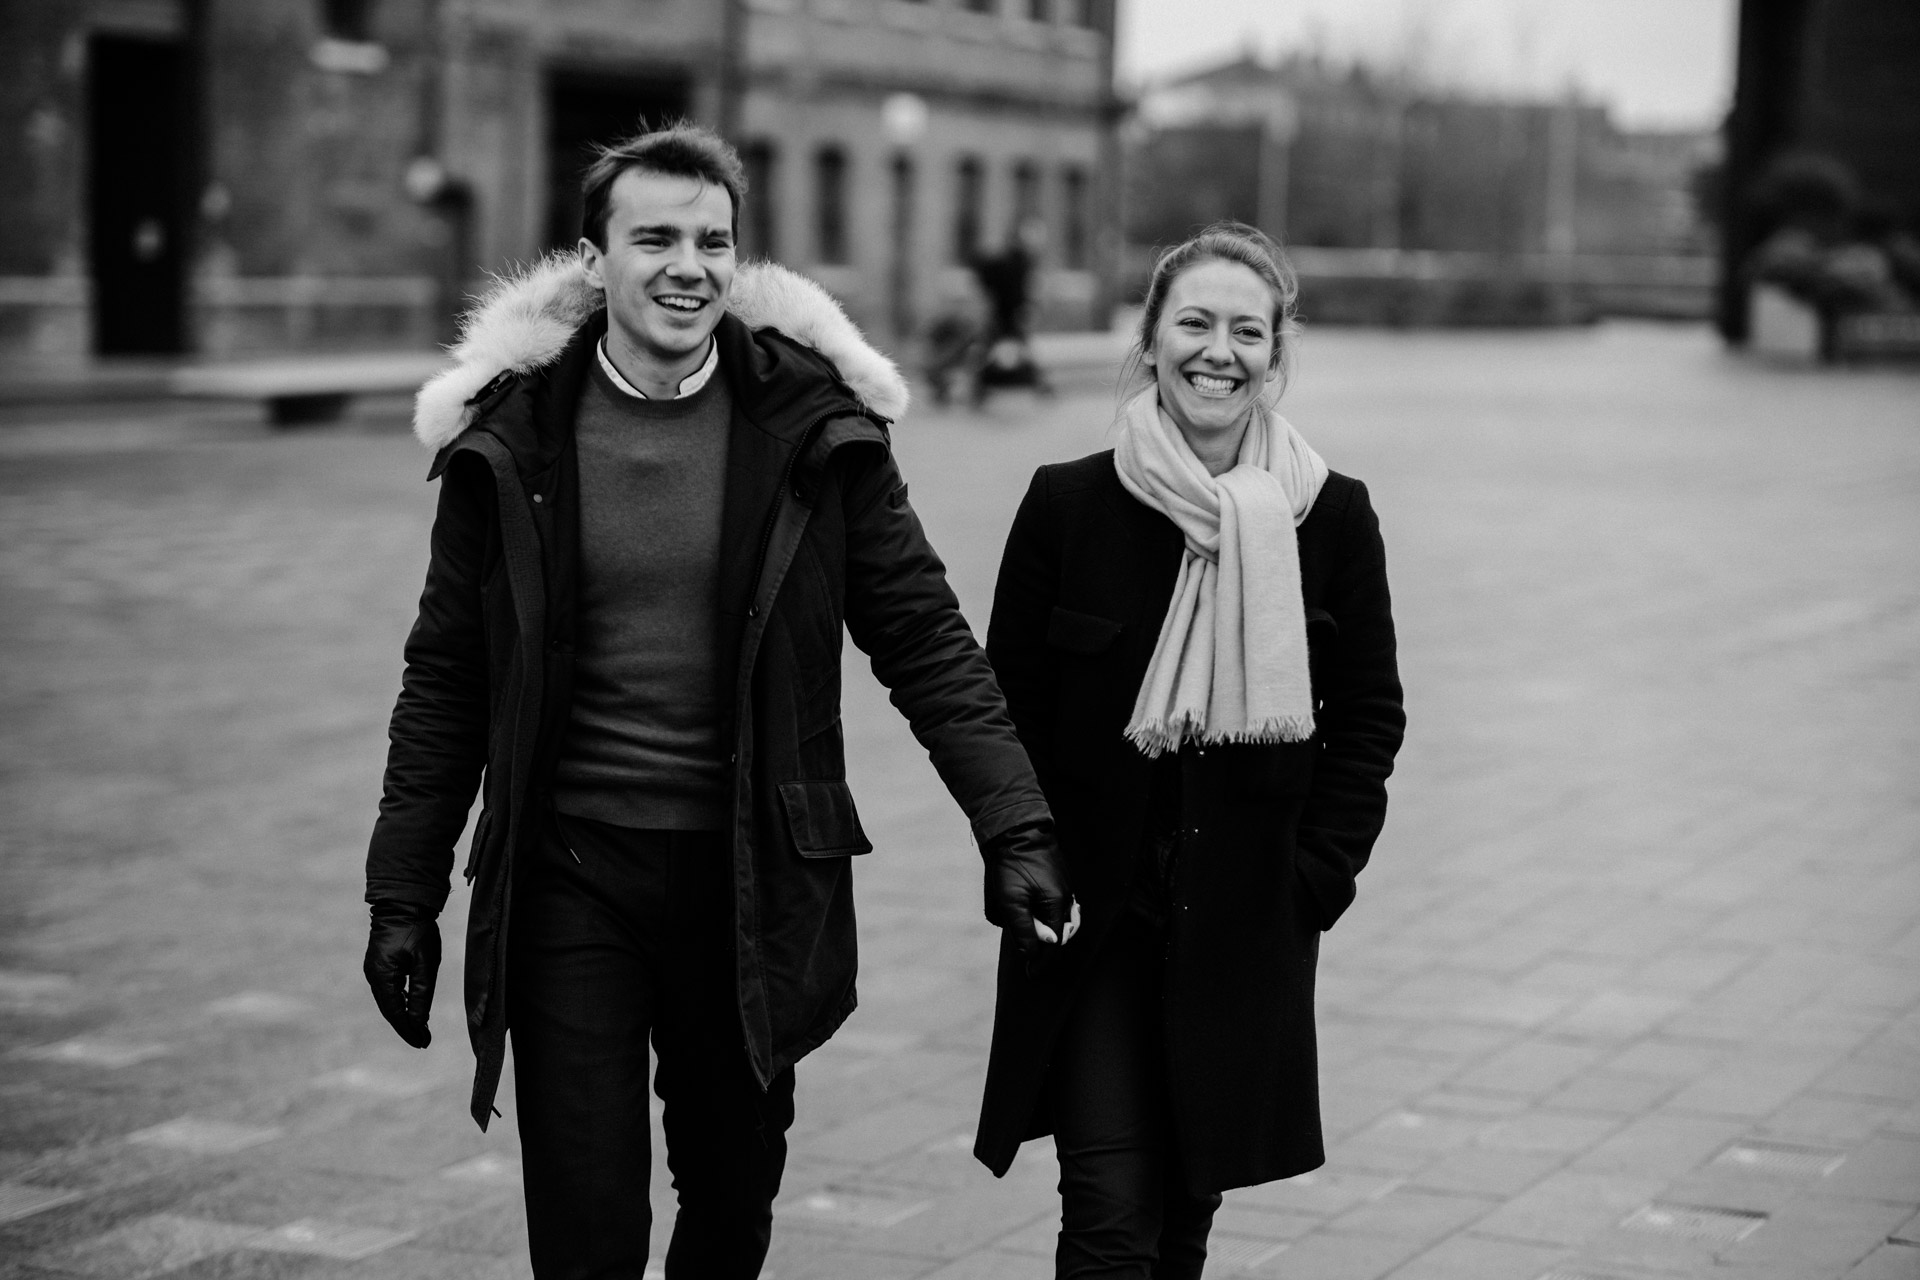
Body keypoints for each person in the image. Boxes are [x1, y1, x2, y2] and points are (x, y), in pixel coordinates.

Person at [361, 123, 1072, 1280]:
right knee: (587, 1225)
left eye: (713, 240)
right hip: (568, 875)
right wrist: (402, 890)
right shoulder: (516, 436)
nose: (688, 264)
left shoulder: (815, 431)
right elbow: (445, 675)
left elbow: (927, 639)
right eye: (655, 238)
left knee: (731, 1198)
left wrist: (1017, 824)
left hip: (750, 880)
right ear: (595, 261)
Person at [973, 221, 1405, 1278]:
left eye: (1246, 330)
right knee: (1111, 1210)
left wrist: (1313, 879)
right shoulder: (1067, 503)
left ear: (1276, 353)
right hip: (1095, 919)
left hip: (1244, 925)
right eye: (1195, 322)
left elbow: (1368, 718)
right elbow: (1004, 707)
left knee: (1180, 1221)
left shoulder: (1331, 518)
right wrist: (1020, 845)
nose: (1220, 350)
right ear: (1152, 338)